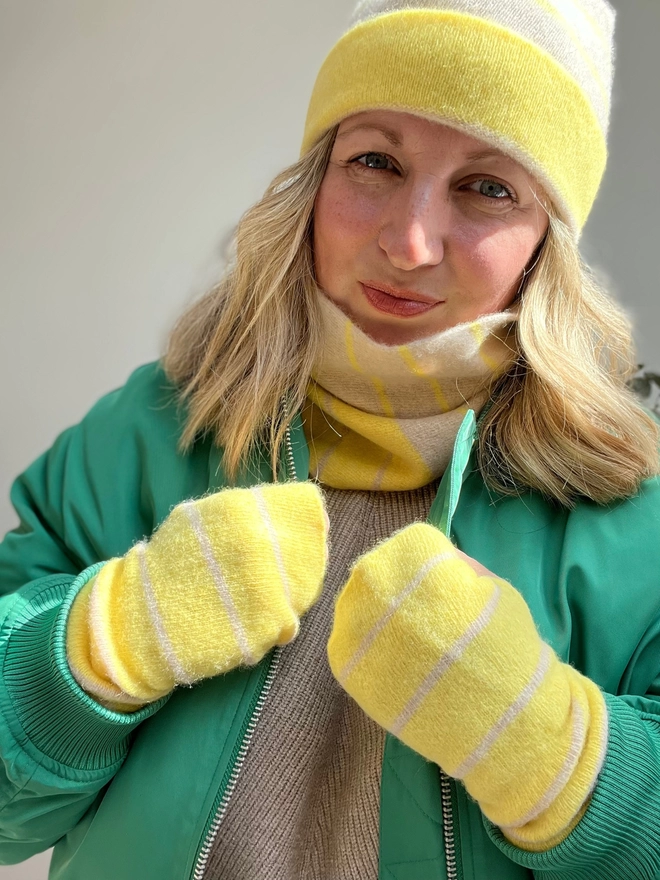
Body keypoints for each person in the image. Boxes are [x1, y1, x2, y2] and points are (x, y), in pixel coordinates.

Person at [1, 0, 660, 878]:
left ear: (550, 237)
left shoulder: (634, 504)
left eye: (489, 187)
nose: (411, 240)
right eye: (376, 162)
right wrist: (96, 648)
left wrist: (557, 757)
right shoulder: (148, 432)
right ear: (314, 179)